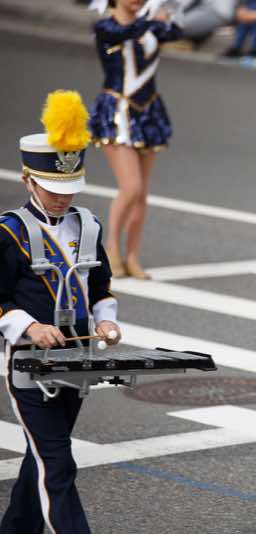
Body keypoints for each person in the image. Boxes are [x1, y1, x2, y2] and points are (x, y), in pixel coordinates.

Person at [0, 90, 122, 534]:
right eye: (52, 189)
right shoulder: (9, 233)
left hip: (78, 360)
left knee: (42, 456)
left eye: (68, 190)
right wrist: (30, 327)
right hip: (30, 367)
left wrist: (106, 320)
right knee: (57, 463)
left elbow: (100, 286)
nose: (60, 199)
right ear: (28, 181)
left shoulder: (87, 224)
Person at [88, 0, 183, 280]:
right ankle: (111, 249)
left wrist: (171, 11)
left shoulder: (151, 27)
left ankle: (132, 255)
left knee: (141, 193)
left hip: (148, 110)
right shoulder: (105, 27)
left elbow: (176, 32)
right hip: (117, 110)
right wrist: (154, 18)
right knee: (131, 187)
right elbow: (124, 32)